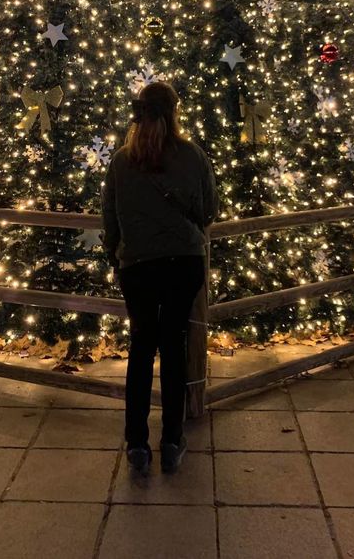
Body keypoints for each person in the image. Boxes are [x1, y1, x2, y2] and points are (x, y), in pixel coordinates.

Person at [101, 81, 219, 475]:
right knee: (173, 348)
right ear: (174, 112)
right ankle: (172, 439)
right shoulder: (192, 156)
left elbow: (110, 220)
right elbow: (208, 210)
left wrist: (119, 256)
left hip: (138, 265)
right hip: (183, 263)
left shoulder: (121, 160)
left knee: (140, 350)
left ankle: (136, 443)